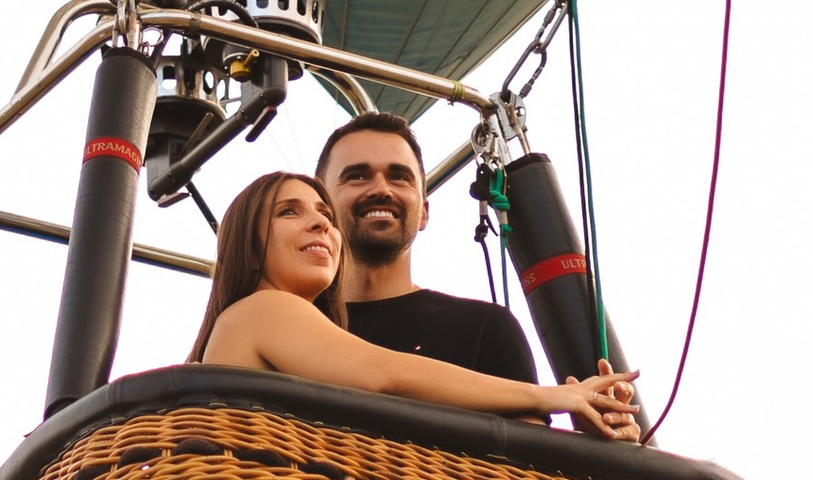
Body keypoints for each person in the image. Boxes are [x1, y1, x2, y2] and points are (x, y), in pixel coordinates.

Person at [190, 169, 638, 437]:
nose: (319, 224)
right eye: (289, 212)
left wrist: (596, 429)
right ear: (248, 248)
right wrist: (554, 397)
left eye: (324, 215)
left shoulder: (283, 334)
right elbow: (386, 375)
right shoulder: (264, 309)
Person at [318, 115, 534, 380]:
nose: (381, 189)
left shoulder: (485, 330)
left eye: (399, 177)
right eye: (358, 176)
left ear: (423, 212)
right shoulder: (287, 325)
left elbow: (529, 422)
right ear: (320, 207)